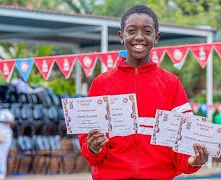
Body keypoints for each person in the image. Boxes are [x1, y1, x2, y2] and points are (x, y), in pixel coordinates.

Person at [78, 5, 208, 179]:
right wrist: (93, 148)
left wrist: (193, 161)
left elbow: (182, 145)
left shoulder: (171, 84)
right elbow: (89, 150)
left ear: (156, 37)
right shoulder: (102, 84)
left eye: (147, 31)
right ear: (121, 36)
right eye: (131, 30)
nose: (139, 37)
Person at [0, 104, 14, 180]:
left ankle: (1, 174)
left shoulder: (6, 112)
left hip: (5, 136)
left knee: (2, 155)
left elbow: (11, 121)